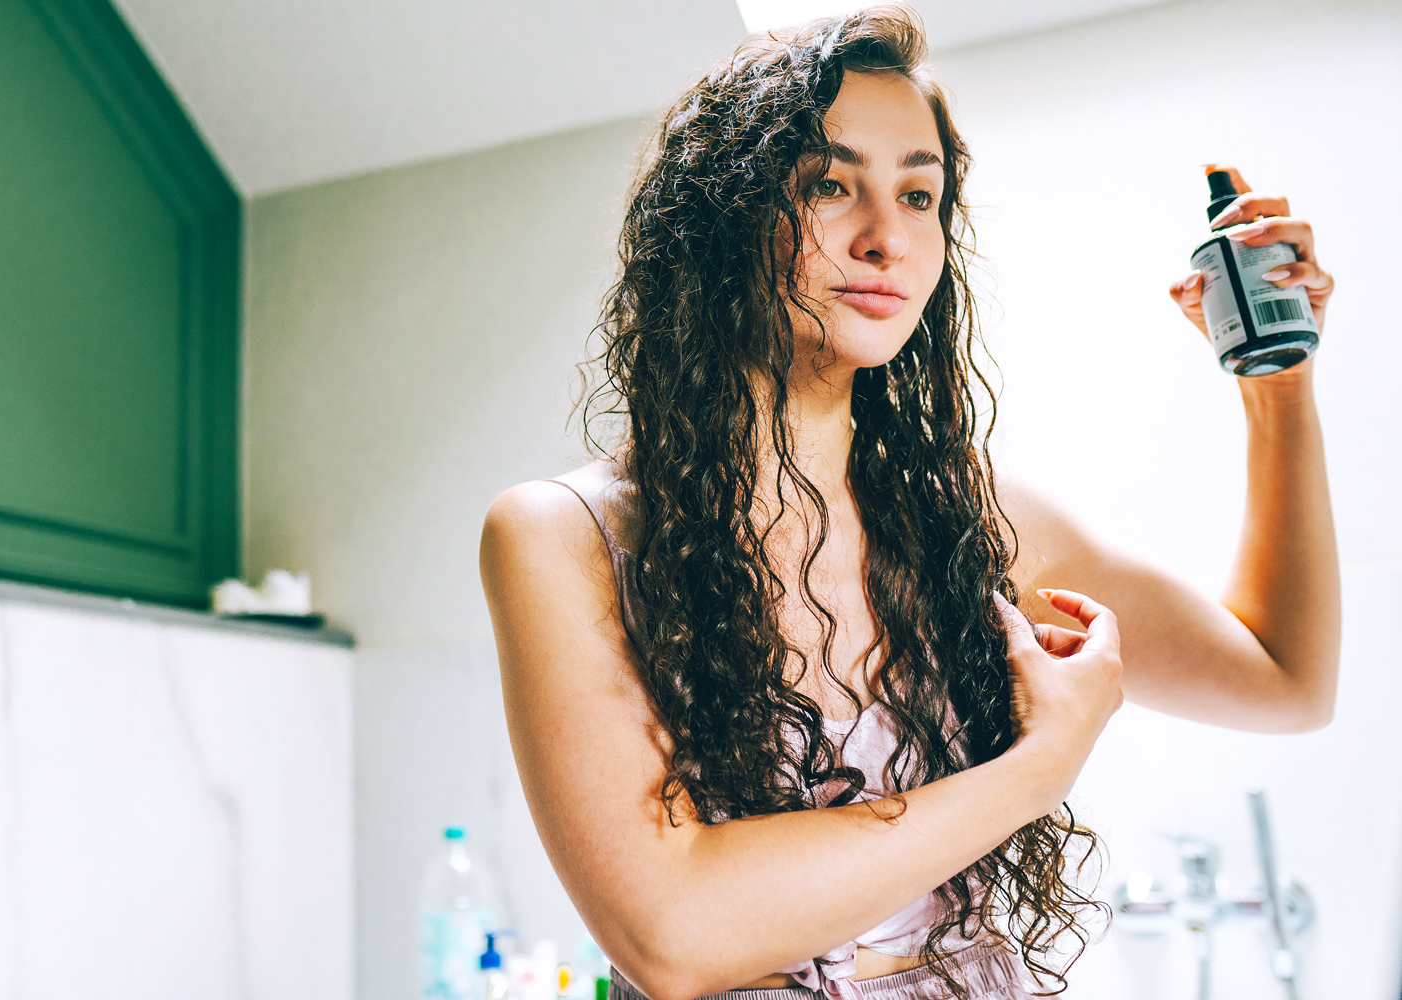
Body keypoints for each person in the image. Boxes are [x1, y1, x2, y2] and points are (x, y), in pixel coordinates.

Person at [479, 6, 1339, 999]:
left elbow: (1286, 680)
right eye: (830, 185)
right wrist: (1034, 769)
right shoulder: (563, 537)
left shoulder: (971, 518)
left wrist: (1278, 385)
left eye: (920, 194)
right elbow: (673, 936)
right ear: (723, 217)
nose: (888, 236)